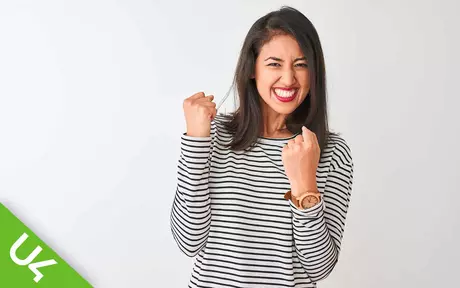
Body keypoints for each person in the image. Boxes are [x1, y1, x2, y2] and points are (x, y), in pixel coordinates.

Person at [170, 6, 354, 288]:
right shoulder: (214, 135)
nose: (289, 79)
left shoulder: (331, 151)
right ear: (252, 69)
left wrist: (305, 187)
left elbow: (320, 268)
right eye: (274, 64)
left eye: (301, 64)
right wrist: (196, 142)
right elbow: (188, 241)